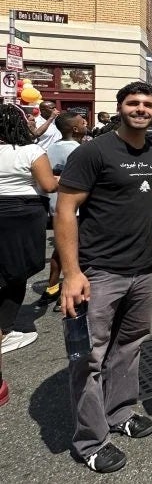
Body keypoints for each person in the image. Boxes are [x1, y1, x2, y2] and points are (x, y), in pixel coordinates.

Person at [56, 82, 152, 473]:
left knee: (129, 347)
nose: (140, 109)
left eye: (148, 104)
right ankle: (90, 440)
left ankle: (119, 413)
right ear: (119, 107)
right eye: (133, 103)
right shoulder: (93, 151)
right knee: (88, 357)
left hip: (142, 271)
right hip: (98, 272)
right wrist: (71, 273)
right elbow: (65, 209)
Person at [0, 103, 57, 406]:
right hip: (22, 215)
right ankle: (5, 329)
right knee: (18, 272)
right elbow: (48, 184)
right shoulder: (30, 152)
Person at [37, 111, 88, 312]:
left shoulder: (49, 149)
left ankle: (51, 287)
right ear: (74, 129)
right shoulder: (80, 151)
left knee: (60, 250)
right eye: (82, 123)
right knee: (74, 253)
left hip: (54, 206)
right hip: (75, 209)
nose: (86, 125)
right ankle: (68, 292)